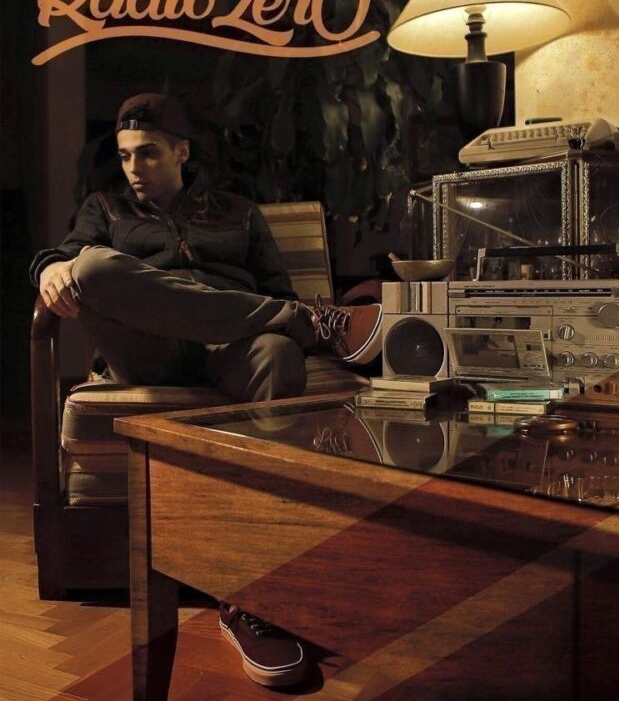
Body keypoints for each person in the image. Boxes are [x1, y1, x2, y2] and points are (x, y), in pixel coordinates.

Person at [30, 92, 384, 686]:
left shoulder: (239, 212)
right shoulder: (105, 207)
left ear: (182, 152)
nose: (134, 168)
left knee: (277, 351)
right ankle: (312, 323)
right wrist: (47, 268)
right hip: (146, 353)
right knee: (91, 267)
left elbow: (274, 287)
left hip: (232, 352)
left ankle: (253, 594)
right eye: (125, 155)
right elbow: (63, 258)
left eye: (148, 153)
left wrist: (262, 316)